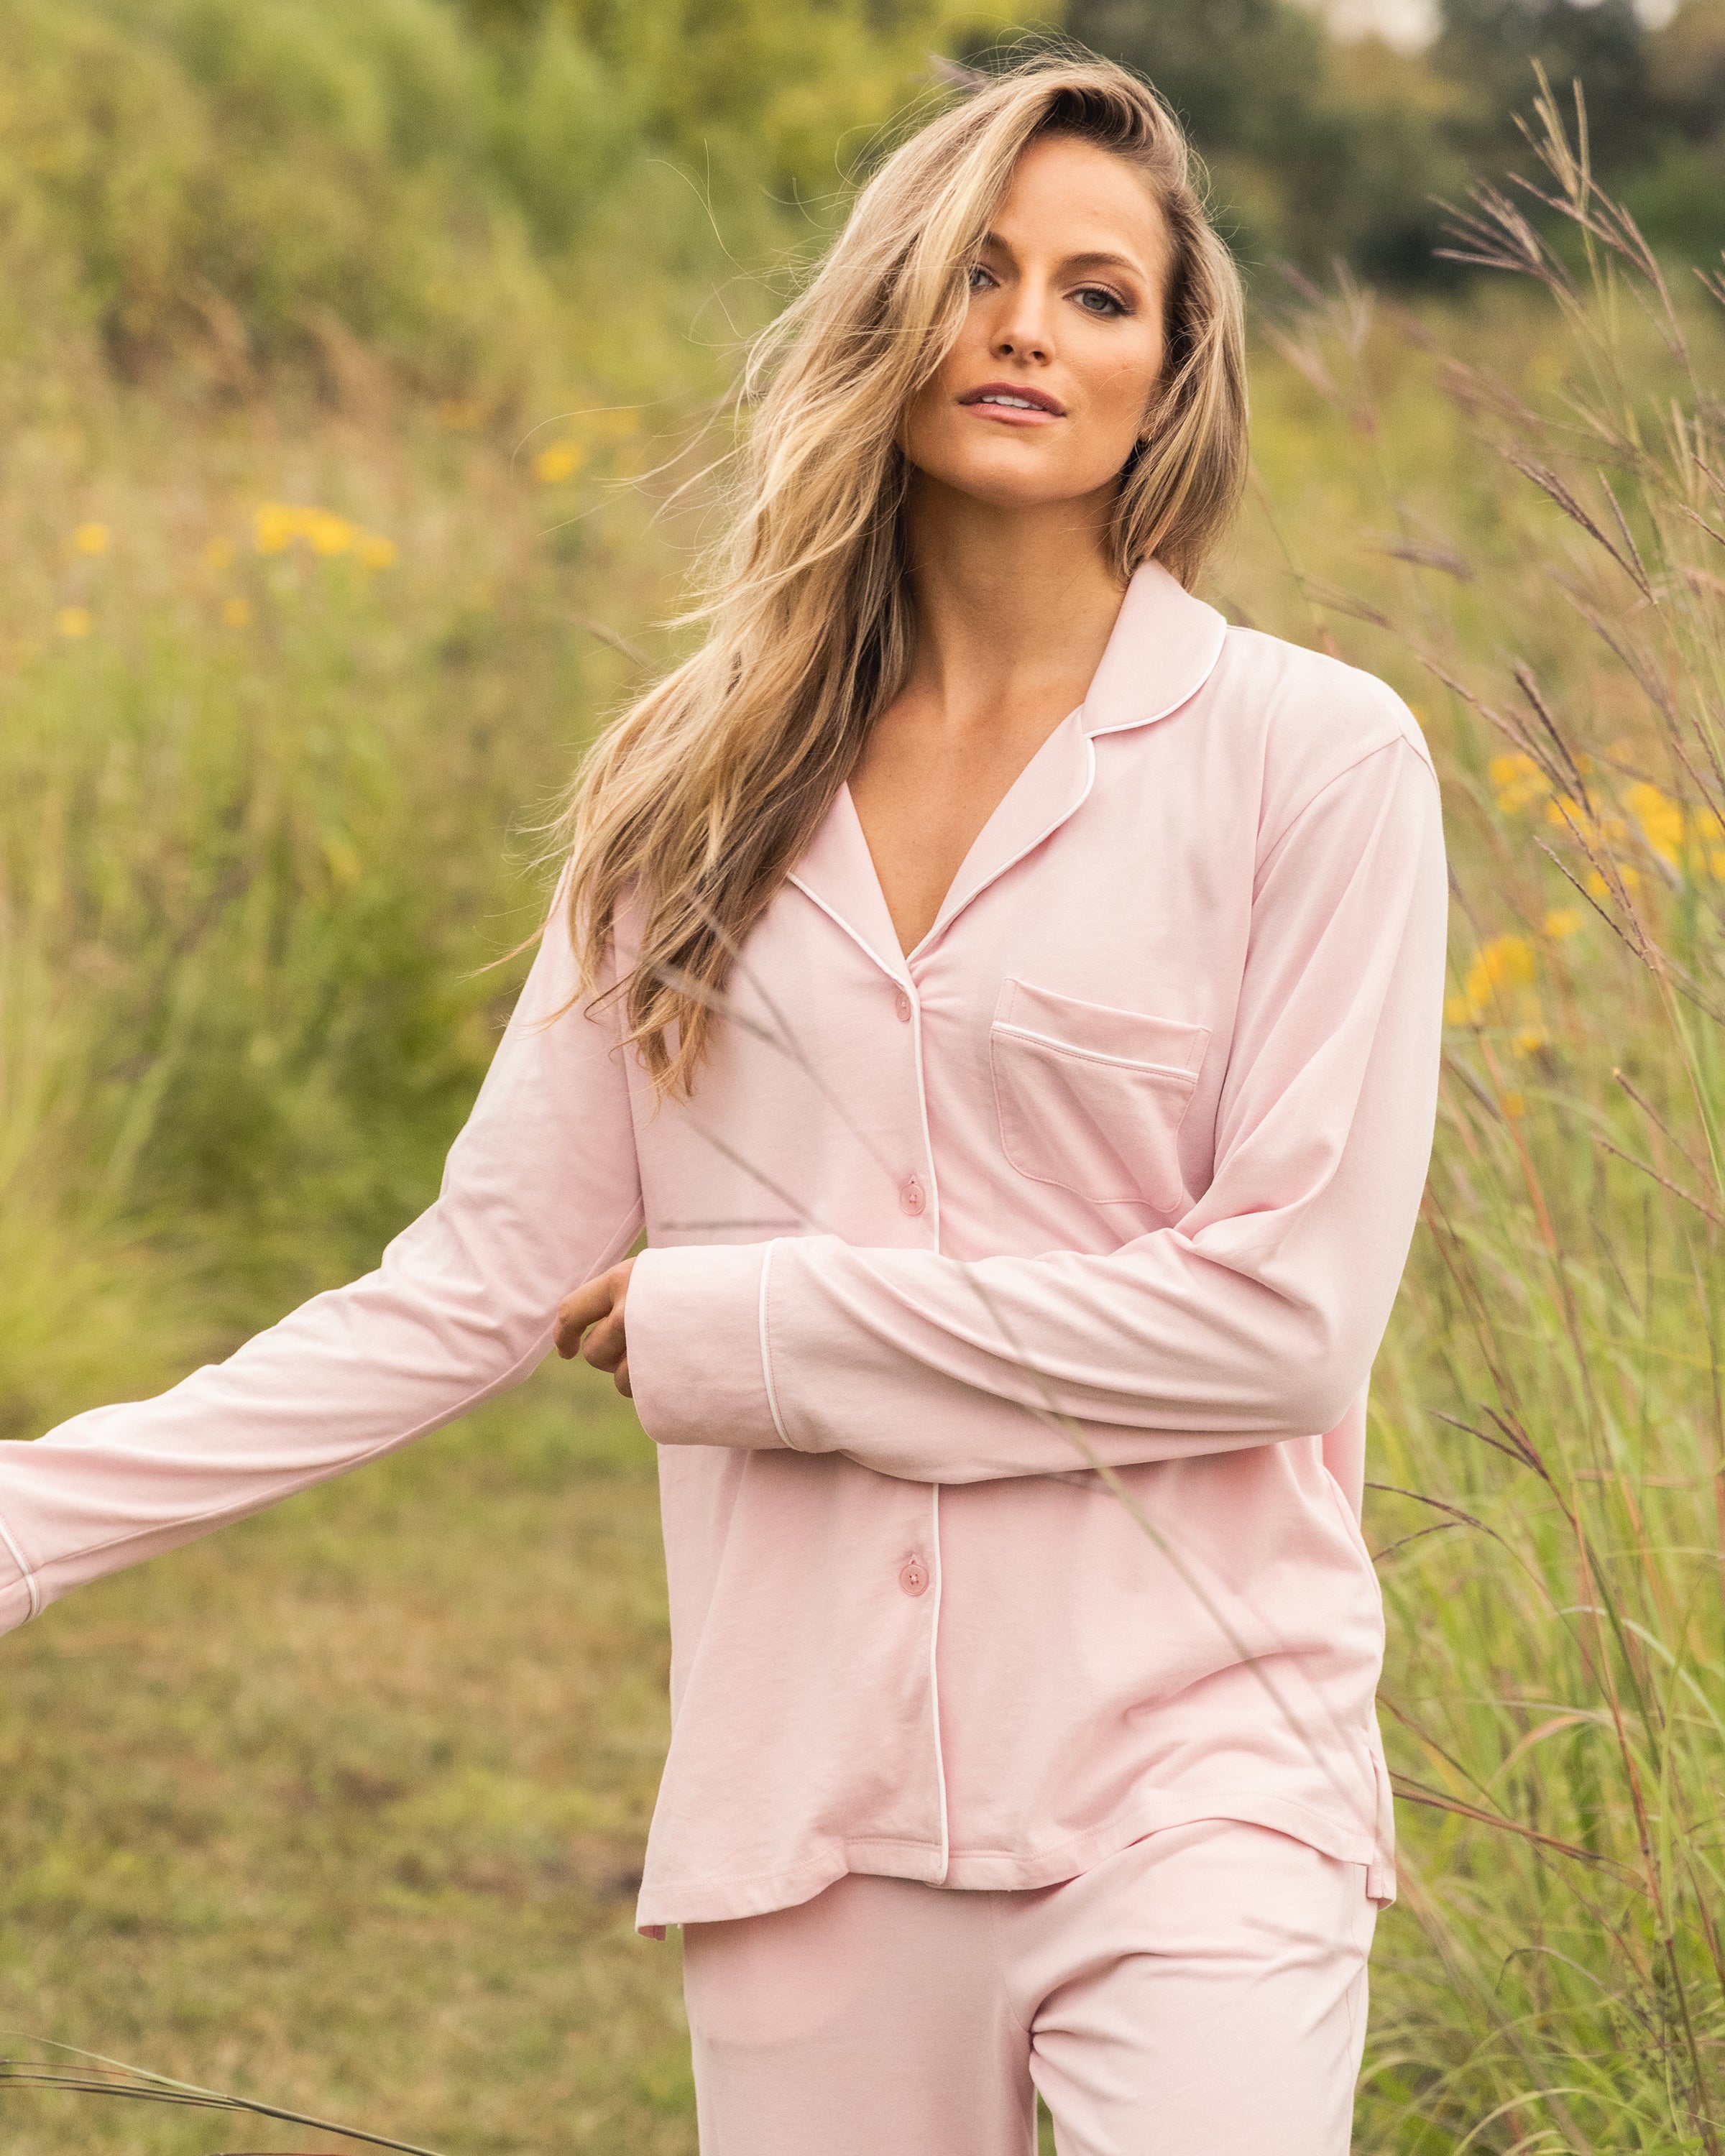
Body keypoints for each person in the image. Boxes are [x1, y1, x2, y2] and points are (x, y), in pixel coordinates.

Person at [0, 52, 1447, 2156]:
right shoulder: (688, 798)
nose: (1030, 324)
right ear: (892, 317)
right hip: (809, 1807)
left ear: (1172, 371)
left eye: (1099, 292)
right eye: (979, 270)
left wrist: (763, 1328)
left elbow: (1284, 1326)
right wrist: (27, 1516)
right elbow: (470, 1284)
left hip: (1204, 1765)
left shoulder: (1315, 765)